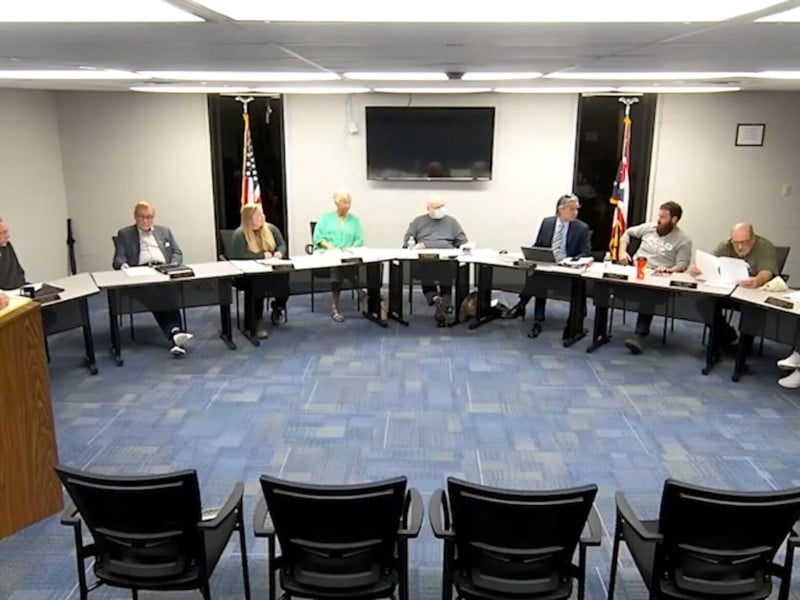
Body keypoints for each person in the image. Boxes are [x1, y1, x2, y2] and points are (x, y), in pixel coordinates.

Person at [505, 194, 592, 338]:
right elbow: (539, 244)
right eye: (572, 209)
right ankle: (537, 320)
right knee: (538, 278)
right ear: (561, 209)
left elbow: (586, 252)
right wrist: (530, 254)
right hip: (548, 266)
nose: (575, 212)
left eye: (577, 209)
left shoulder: (581, 228)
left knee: (538, 280)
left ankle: (522, 304)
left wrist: (572, 261)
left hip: (567, 269)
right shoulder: (548, 223)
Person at [112, 201, 193, 357]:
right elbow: (118, 258)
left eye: (149, 217)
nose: (145, 221)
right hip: (140, 275)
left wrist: (174, 264)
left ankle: (175, 334)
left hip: (163, 270)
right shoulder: (125, 234)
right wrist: (124, 266)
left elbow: (177, 252)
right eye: (142, 217)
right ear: (135, 217)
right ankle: (175, 333)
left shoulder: (164, 231)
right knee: (155, 294)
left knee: (169, 291)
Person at [689, 223, 778, 356]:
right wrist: (697, 269)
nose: (740, 246)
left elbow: (767, 272)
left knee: (752, 310)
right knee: (703, 302)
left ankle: (744, 347)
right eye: (736, 242)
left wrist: (757, 280)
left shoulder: (765, 247)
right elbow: (710, 262)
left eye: (744, 242)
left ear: (753, 239)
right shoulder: (725, 246)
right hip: (728, 290)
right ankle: (725, 335)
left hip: (752, 293)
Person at [618, 201, 692, 354]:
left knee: (648, 294)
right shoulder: (648, 228)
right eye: (659, 216)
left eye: (663, 217)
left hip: (659, 279)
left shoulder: (683, 240)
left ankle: (639, 335)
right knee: (609, 282)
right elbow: (627, 234)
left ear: (674, 220)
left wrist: (669, 269)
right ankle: (600, 331)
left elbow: (683, 265)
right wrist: (622, 251)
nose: (659, 220)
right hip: (637, 271)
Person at [403, 194, 468, 325]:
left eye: (442, 206)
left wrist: (428, 245)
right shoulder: (418, 222)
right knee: (427, 270)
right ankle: (442, 302)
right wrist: (415, 246)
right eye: (437, 207)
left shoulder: (452, 222)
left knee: (446, 272)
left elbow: (463, 242)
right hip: (424, 260)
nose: (440, 209)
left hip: (446, 260)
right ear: (428, 208)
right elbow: (407, 242)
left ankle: (439, 301)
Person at [230, 203, 289, 339]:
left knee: (284, 279)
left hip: (269, 269)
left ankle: (278, 307)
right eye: (258, 215)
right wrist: (260, 256)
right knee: (258, 284)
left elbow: (281, 244)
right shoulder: (239, 235)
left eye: (262, 214)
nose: (263, 217)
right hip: (246, 275)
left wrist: (279, 253)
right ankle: (257, 321)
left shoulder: (271, 229)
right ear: (249, 219)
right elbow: (239, 256)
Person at [312, 190, 365, 322]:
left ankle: (362, 292)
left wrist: (351, 248)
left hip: (348, 255)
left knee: (345, 265)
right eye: (344, 202)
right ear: (336, 203)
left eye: (349, 203)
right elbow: (318, 238)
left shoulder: (354, 220)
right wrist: (331, 247)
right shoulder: (325, 218)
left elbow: (359, 239)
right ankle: (336, 306)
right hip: (328, 256)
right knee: (337, 266)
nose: (347, 205)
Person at [0, 217, 26, 290]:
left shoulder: (7, 246)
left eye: (6, 232)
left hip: (17, 290)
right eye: (3, 232)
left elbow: (19, 272)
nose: (8, 236)